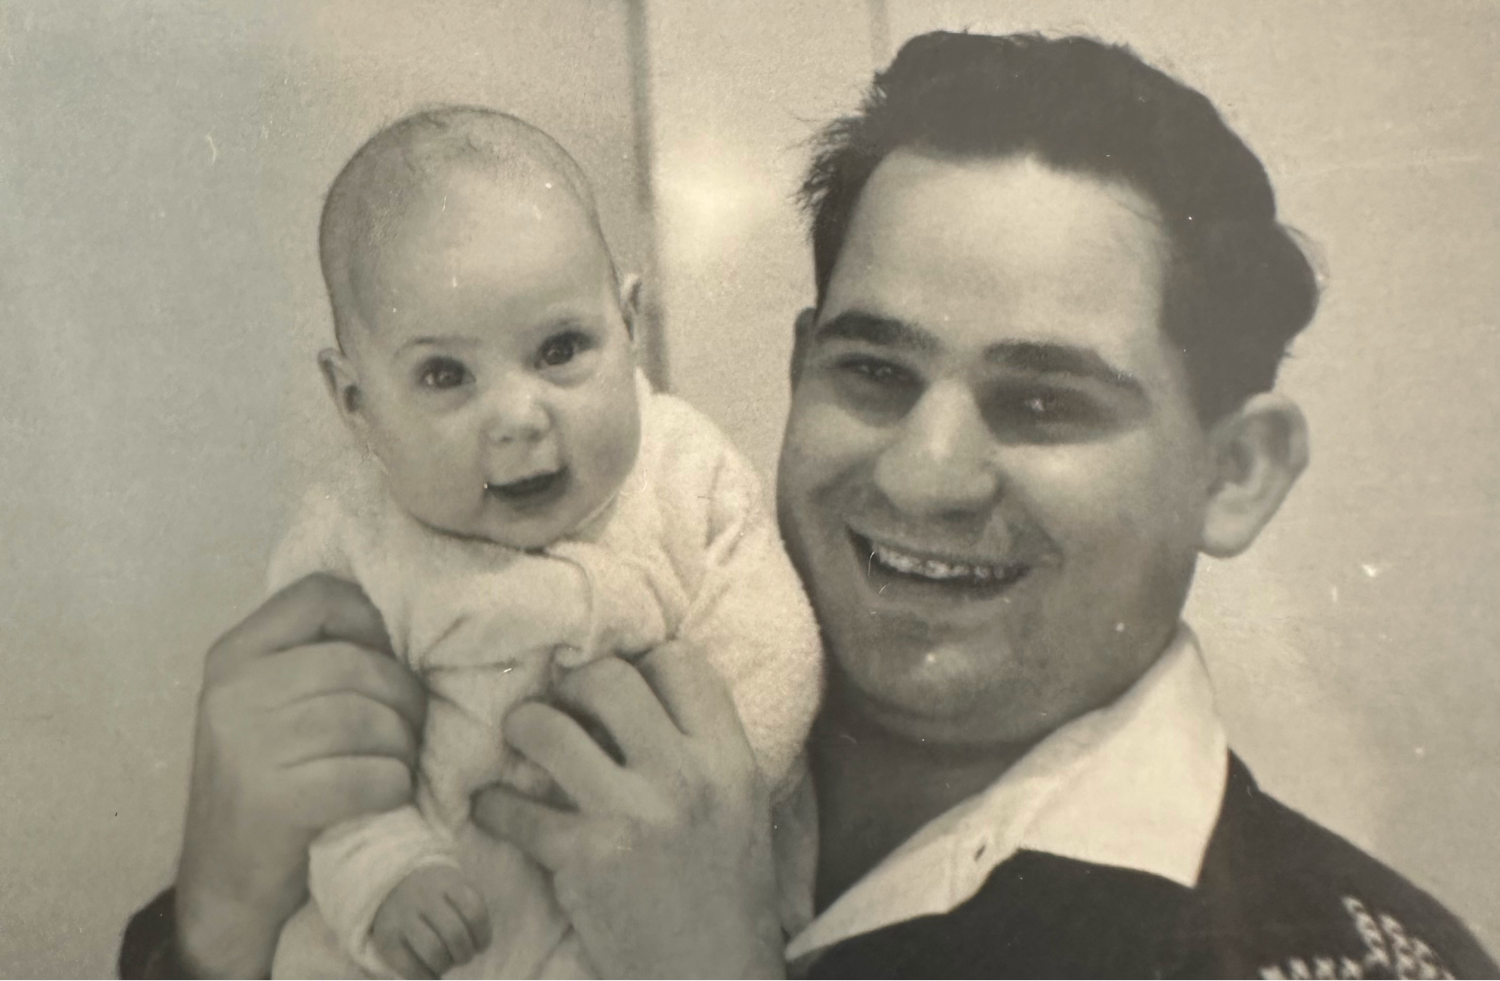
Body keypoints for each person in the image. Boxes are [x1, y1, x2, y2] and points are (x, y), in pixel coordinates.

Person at [120, 31, 1500, 981]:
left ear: (1237, 469)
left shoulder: (1323, 951)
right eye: (874, 371)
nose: (921, 472)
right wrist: (216, 925)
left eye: (1040, 402)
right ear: (793, 365)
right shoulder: (582, 657)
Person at [188, 105, 822, 981]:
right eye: (445, 375)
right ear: (356, 403)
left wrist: (713, 789)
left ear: (628, 324)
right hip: (438, 910)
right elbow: (328, 758)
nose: (520, 418)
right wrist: (388, 877)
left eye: (562, 348)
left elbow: (771, 643)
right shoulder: (349, 542)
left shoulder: (687, 471)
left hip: (661, 910)